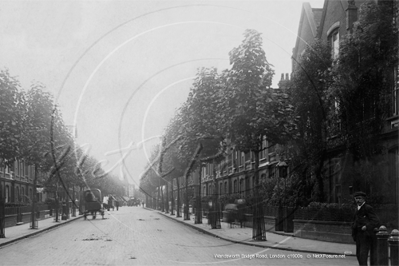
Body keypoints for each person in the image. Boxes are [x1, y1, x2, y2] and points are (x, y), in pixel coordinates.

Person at [351, 191, 380, 266]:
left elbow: (375, 220)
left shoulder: (367, 208)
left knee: (363, 255)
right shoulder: (356, 209)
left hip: (366, 235)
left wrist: (367, 226)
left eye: (360, 198)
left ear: (363, 199)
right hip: (358, 235)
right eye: (356, 198)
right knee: (358, 255)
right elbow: (354, 220)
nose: (358, 200)